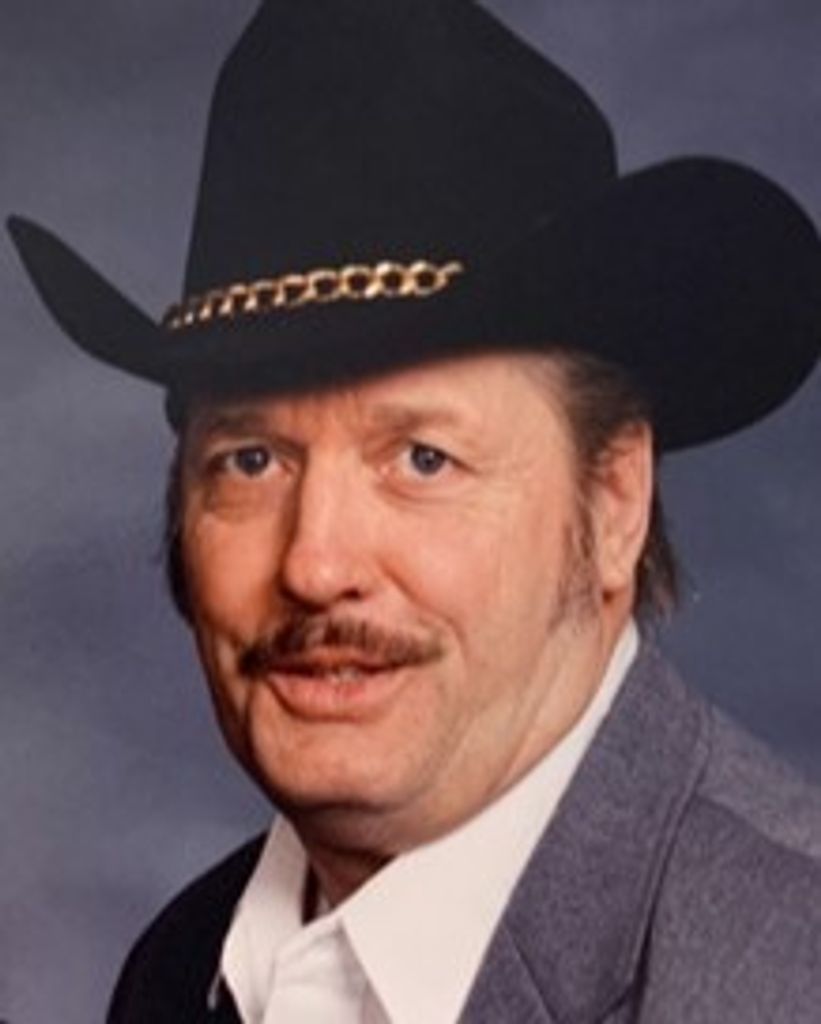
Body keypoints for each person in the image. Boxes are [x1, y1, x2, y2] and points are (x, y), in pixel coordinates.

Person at [8, 1, 821, 1021]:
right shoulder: (179, 969)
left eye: (421, 459)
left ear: (614, 499)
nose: (314, 563)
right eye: (251, 460)